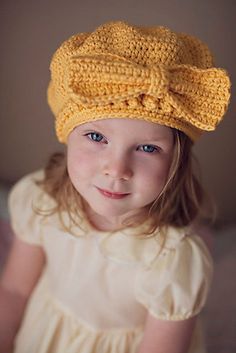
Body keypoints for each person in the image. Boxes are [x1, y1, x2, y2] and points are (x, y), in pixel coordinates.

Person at [0, 21, 230, 353]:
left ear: (176, 162)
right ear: (68, 137)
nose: (117, 169)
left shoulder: (173, 257)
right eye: (96, 137)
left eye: (148, 148)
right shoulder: (42, 200)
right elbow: (15, 291)